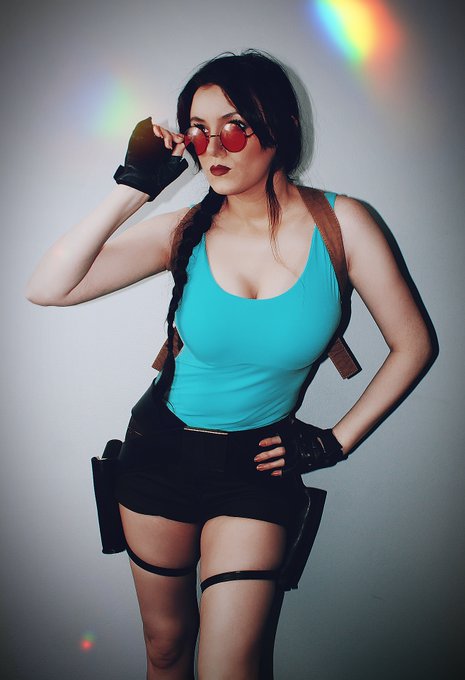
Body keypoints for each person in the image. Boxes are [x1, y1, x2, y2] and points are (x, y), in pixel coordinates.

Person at [26, 50, 432, 680]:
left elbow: (414, 345)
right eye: (198, 130)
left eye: (235, 127)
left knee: (230, 667)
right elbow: (47, 288)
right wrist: (134, 187)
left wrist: (334, 442)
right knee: (166, 648)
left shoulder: (343, 225)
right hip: (158, 455)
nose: (213, 147)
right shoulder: (184, 230)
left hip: (256, 468)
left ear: (280, 127)